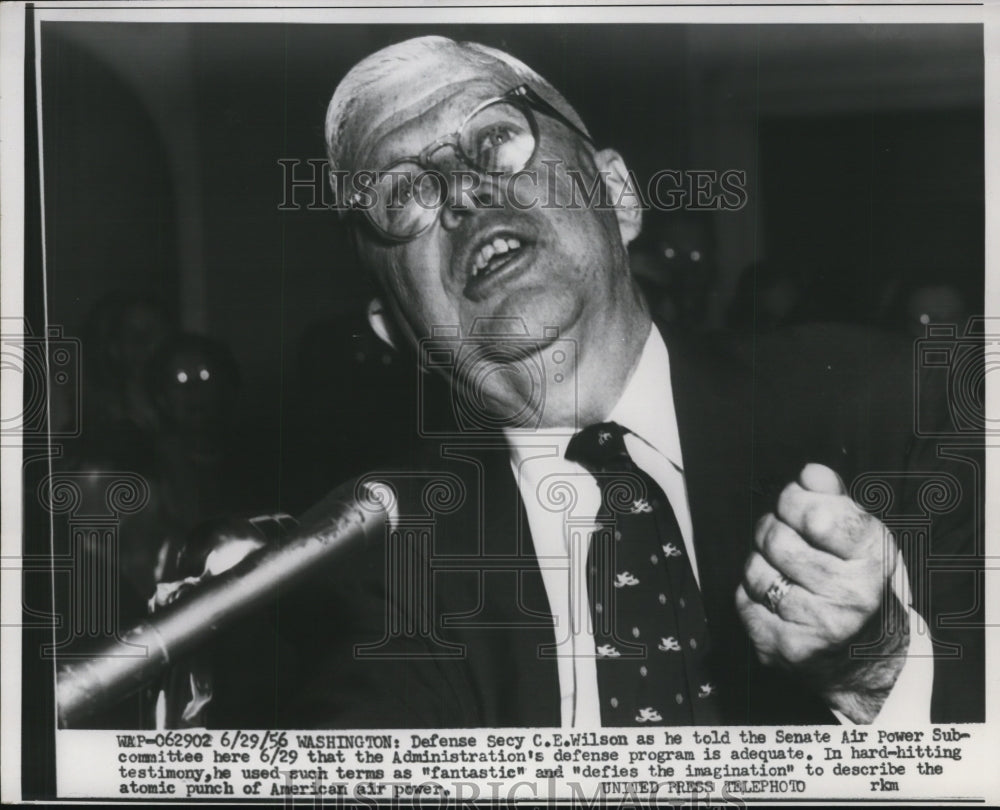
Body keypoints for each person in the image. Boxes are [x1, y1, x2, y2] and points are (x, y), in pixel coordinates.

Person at [264, 36, 981, 729]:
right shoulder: (372, 557)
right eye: (403, 194)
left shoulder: (899, 405)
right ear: (397, 330)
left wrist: (878, 670)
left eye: (494, 142)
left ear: (618, 194)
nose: (462, 194)